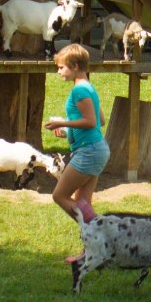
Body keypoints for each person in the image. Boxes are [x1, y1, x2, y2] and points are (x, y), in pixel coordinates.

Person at [44, 44, 109, 261]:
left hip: (89, 151)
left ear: (75, 66)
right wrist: (67, 130)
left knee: (60, 196)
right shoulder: (88, 86)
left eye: (62, 67)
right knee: (83, 205)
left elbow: (91, 122)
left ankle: (101, 231)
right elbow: (100, 120)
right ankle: (90, 253)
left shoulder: (79, 90)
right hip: (97, 149)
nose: (59, 71)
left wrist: (61, 122)